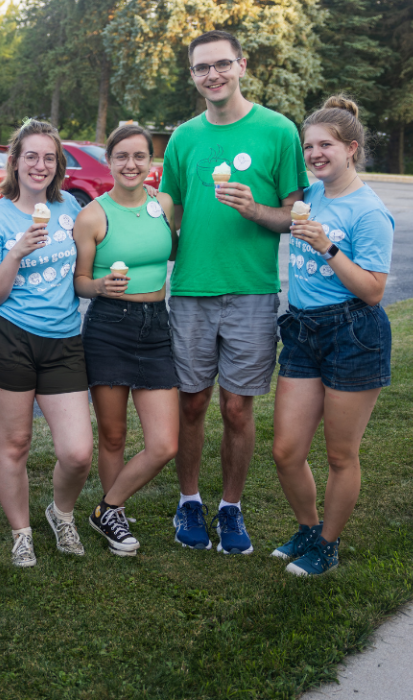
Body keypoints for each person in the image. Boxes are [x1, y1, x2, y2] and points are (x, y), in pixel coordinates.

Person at [160, 29, 309, 554]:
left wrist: (256, 210)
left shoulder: (278, 131)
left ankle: (231, 507)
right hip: (192, 290)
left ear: (242, 65)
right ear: (193, 76)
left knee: (238, 409)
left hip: (252, 290)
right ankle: (189, 501)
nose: (213, 75)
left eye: (222, 64)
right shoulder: (184, 138)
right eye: (202, 68)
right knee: (194, 402)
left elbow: (296, 214)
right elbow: (167, 215)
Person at [272, 96, 394, 576]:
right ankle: (307, 526)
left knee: (340, 454)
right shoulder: (314, 194)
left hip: (352, 333)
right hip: (303, 330)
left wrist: (327, 246)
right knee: (286, 450)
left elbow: (373, 291)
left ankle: (328, 544)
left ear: (351, 148)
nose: (315, 153)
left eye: (325, 145)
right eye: (309, 146)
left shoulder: (369, 212)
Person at [0, 118, 91, 567]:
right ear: (16, 163)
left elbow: (84, 271)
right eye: (31, 156)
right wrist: (16, 252)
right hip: (8, 340)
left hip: (63, 340)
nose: (40, 165)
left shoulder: (72, 210)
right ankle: (21, 533)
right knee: (15, 444)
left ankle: (61, 514)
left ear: (57, 165)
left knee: (77, 453)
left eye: (49, 158)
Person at [73, 125, 179, 556]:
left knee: (164, 443)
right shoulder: (93, 215)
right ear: (110, 161)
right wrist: (98, 287)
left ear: (150, 163)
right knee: (113, 435)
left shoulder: (163, 203)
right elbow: (79, 281)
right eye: (122, 157)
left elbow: (172, 250)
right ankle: (114, 515)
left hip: (156, 324)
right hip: (109, 327)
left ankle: (107, 506)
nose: (131, 165)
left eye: (139, 156)